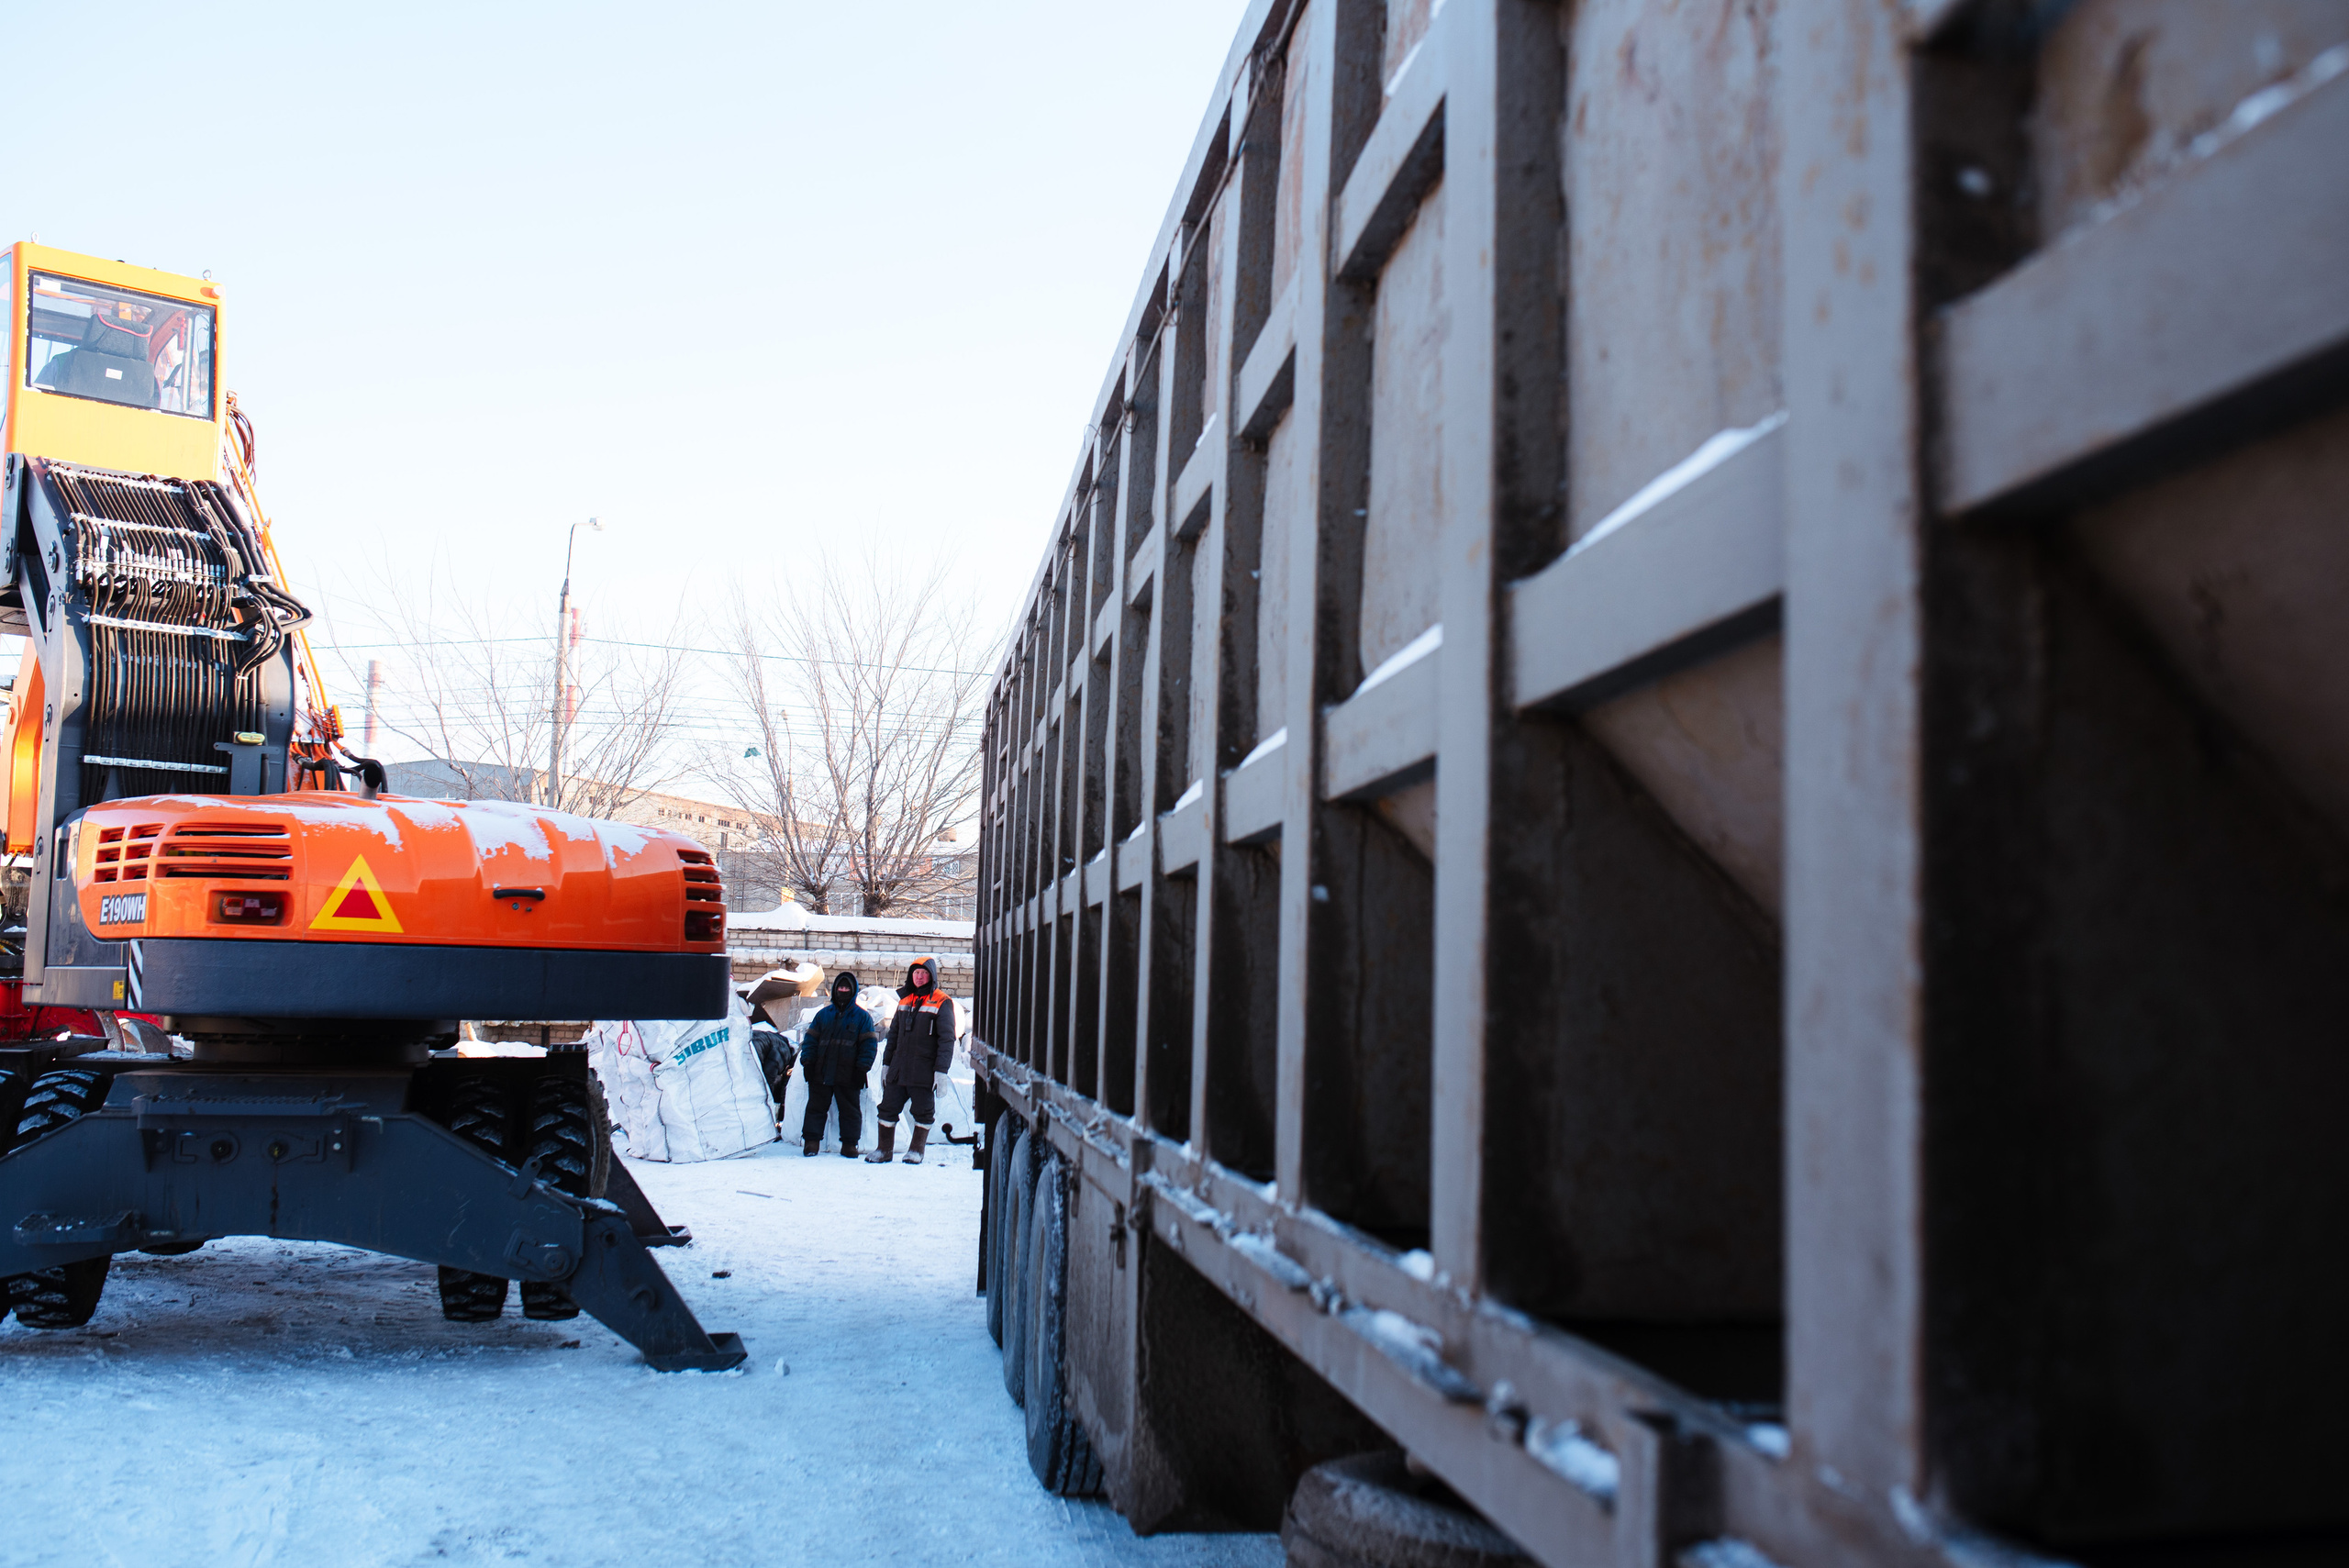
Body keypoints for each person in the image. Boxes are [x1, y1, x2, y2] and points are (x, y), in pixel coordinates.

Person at [866, 957, 957, 1165]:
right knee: (887, 1108)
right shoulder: (905, 1001)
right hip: (899, 1068)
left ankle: (916, 1151)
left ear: (931, 976)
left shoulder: (942, 1002)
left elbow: (947, 1040)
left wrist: (941, 1071)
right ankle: (883, 1150)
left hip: (924, 1070)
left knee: (923, 1111)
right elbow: (893, 1037)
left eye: (924, 973)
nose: (919, 977)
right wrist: (886, 1065)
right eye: (916, 973)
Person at [797, 972, 878, 1158]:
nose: (843, 991)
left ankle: (850, 1144)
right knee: (816, 1107)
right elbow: (810, 1041)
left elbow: (869, 1046)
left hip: (849, 1074)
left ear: (853, 991)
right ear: (835, 990)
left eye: (847, 988)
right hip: (821, 1072)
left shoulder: (862, 1017)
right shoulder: (823, 1015)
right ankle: (811, 1142)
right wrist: (808, 1063)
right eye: (840, 987)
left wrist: (862, 1069)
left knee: (850, 1110)